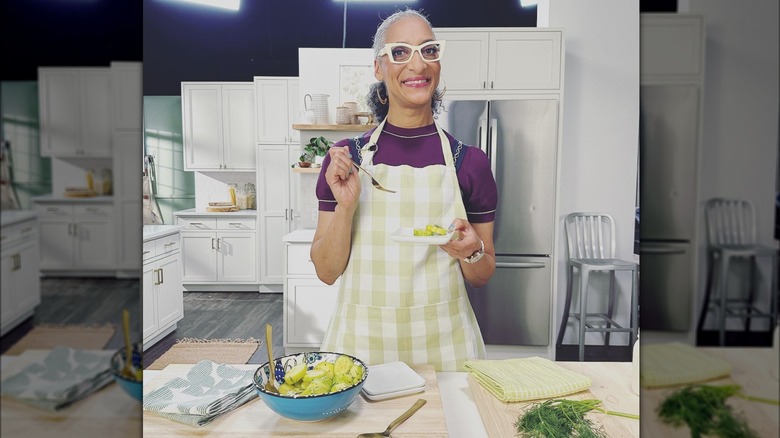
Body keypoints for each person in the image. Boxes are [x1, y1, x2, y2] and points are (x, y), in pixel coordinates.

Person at [310, 8, 498, 372]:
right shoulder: (347, 161)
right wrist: (346, 206)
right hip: (360, 347)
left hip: (445, 348)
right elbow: (327, 272)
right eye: (400, 52)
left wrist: (471, 250)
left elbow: (482, 274)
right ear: (379, 68)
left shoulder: (469, 162)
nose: (418, 64)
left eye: (429, 50)